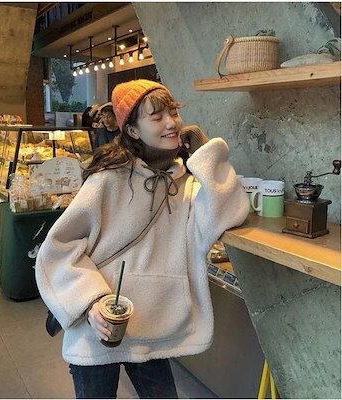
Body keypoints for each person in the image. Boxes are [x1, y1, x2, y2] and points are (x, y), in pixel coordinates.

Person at [35, 79, 250, 399]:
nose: (171, 122)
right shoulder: (109, 179)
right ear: (133, 130)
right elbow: (59, 248)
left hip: (153, 325)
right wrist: (90, 302)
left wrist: (206, 152)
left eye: (173, 112)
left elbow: (229, 212)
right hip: (100, 325)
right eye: (157, 116)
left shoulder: (184, 183)